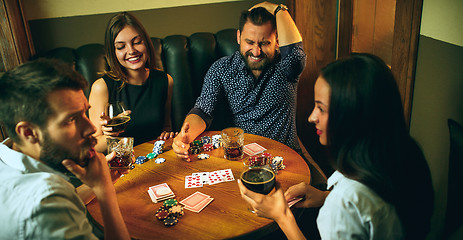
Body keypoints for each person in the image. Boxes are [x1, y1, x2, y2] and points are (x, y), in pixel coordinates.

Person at [238, 53, 434, 239]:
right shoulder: (407, 151)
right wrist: (324, 196)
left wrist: (282, 217)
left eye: (321, 109)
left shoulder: (344, 202)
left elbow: (354, 203)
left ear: (352, 117)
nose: (311, 117)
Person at [0, 58, 130, 239]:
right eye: (71, 119)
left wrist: (98, 184)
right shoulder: (47, 204)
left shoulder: (6, 154)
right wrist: (105, 192)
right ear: (29, 132)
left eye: (85, 112)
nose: (92, 129)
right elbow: (53, 200)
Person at [172, 1, 306, 160]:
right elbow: (203, 110)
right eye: (249, 42)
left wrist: (278, 9)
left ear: (277, 42)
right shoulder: (221, 69)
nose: (256, 51)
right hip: (244, 160)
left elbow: (296, 54)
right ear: (238, 37)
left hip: (286, 159)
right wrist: (186, 135)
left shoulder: (286, 69)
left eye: (264, 43)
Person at [89, 12, 175, 152]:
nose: (131, 51)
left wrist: (167, 134)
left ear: (146, 43)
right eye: (121, 47)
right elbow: (93, 147)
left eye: (137, 42)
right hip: (122, 166)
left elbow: (166, 128)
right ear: (113, 52)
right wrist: (112, 134)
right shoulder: (101, 87)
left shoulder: (165, 80)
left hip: (157, 160)